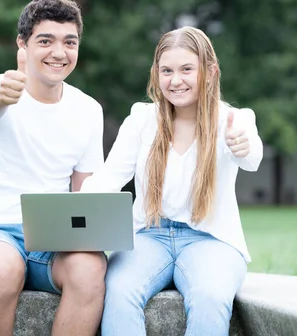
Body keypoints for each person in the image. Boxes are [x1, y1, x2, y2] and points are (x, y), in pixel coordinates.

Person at [81, 26, 263, 335]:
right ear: (156, 74)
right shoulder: (142, 118)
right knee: (119, 293)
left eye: (186, 69)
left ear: (210, 71)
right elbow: (109, 178)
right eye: (166, 70)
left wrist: (243, 144)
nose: (175, 80)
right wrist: (75, 209)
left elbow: (252, 157)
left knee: (210, 297)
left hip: (212, 240)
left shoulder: (233, 119)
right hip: (148, 237)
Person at [0, 0, 106, 336]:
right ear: (23, 44)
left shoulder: (88, 110)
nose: (59, 53)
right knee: (5, 269)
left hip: (50, 240)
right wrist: (4, 94)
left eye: (70, 42)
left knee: (90, 268)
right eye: (45, 41)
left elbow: (85, 192)